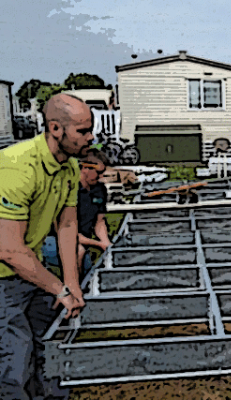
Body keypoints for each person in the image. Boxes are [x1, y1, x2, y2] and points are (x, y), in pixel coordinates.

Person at [0, 93, 94, 399]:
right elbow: (9, 250)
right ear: (55, 129)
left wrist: (71, 282)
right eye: (82, 131)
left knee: (51, 345)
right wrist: (59, 289)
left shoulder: (69, 168)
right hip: (4, 276)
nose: (90, 137)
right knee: (14, 359)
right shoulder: (16, 167)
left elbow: (66, 226)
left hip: (30, 271)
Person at [42, 149, 112, 281]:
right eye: (98, 173)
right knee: (78, 251)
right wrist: (98, 244)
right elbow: (66, 231)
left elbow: (99, 221)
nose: (101, 177)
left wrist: (106, 242)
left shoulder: (99, 189)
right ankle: (75, 290)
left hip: (83, 239)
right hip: (55, 239)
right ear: (85, 168)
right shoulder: (67, 190)